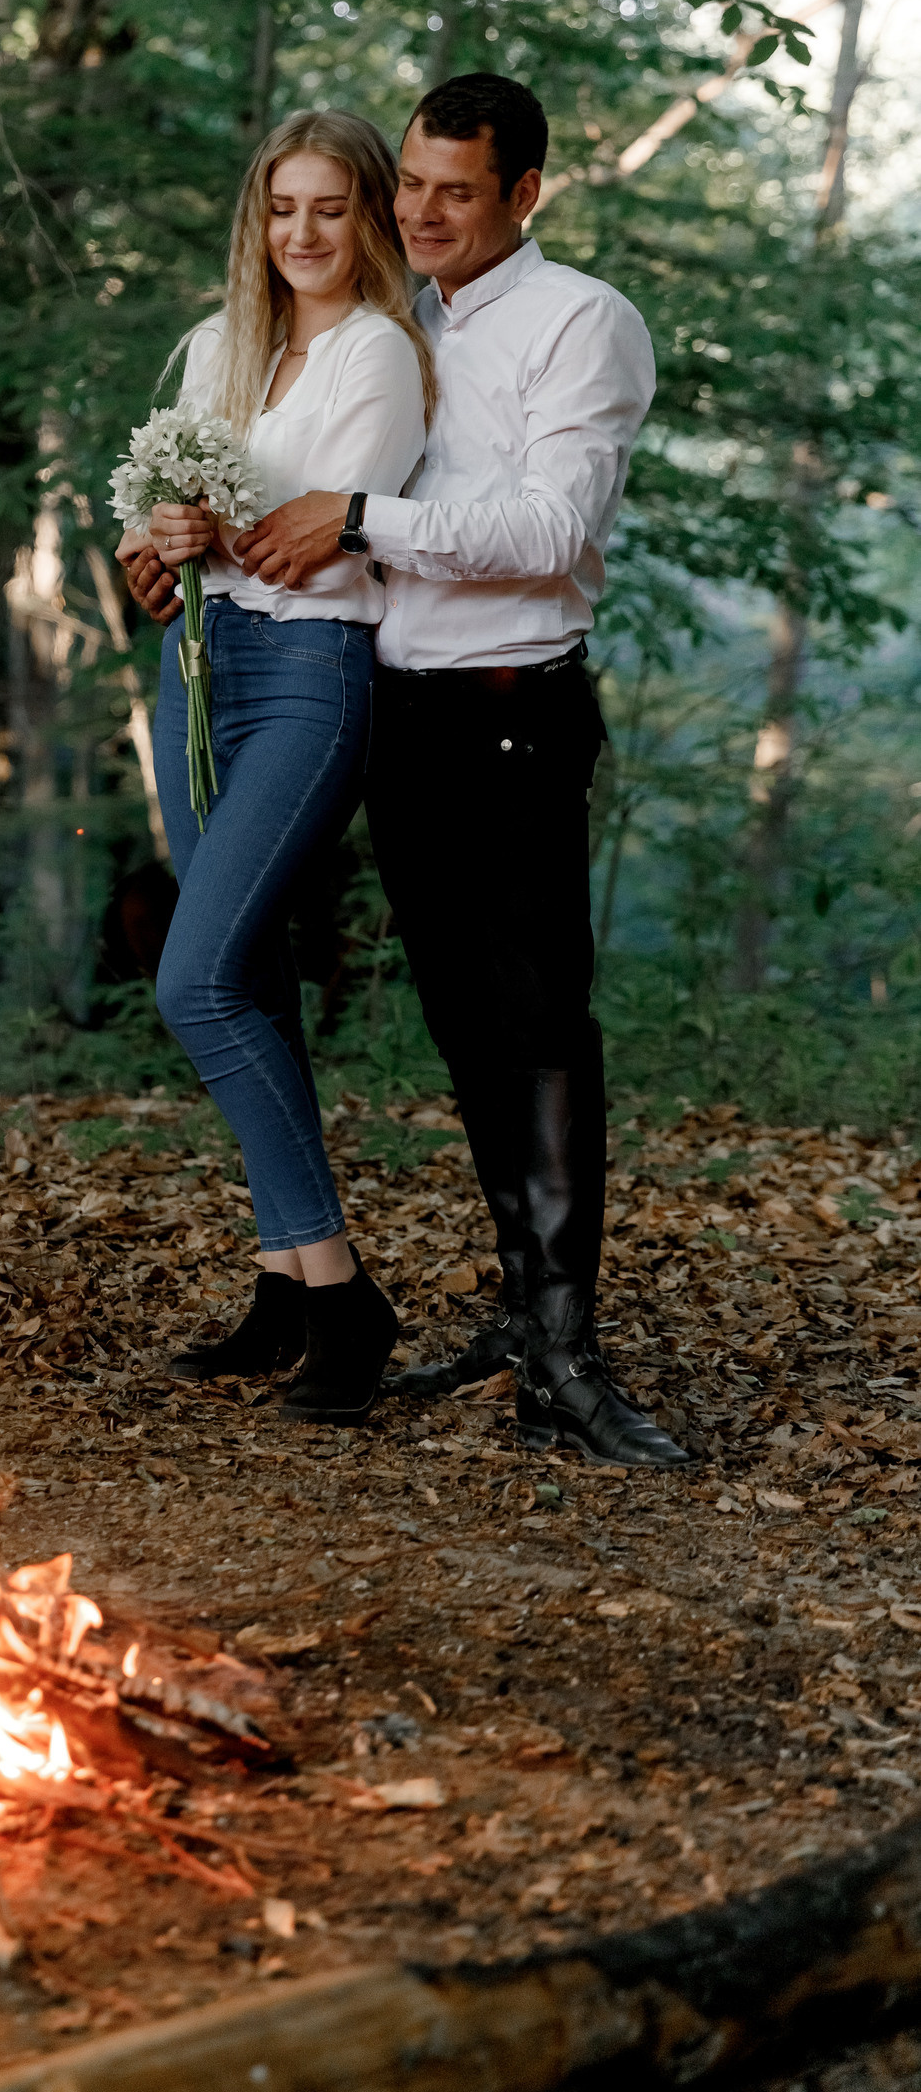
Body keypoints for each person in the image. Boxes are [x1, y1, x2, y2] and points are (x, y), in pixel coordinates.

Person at [123, 73, 687, 1471]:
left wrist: (362, 517)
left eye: (457, 190)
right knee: (459, 1026)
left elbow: (555, 523)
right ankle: (494, 1318)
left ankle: (564, 1353)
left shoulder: (580, 321)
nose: (424, 213)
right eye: (414, 187)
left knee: (542, 1025)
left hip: (510, 709)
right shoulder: (397, 318)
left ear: (524, 196)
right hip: (399, 710)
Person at [115, 109, 429, 1425]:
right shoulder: (214, 347)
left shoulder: (381, 356)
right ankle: (284, 1284)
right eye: (282, 210)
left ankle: (349, 1299)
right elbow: (158, 548)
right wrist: (154, 548)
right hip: (201, 675)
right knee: (249, 977)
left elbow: (308, 546)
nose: (302, 235)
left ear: (369, 217)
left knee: (196, 984)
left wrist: (206, 531)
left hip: (311, 678)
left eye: (331, 209)